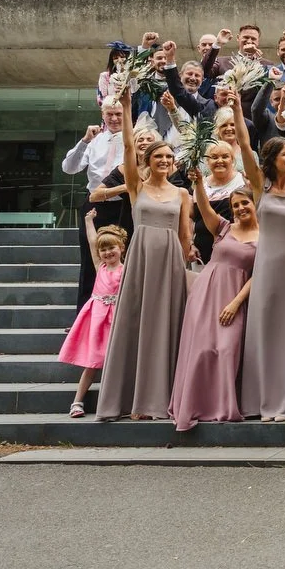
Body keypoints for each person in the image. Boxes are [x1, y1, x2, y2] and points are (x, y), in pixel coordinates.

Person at [96, 87, 194, 421]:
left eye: (168, 157)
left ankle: (163, 397)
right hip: (141, 262)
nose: (165, 161)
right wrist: (125, 108)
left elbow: (185, 236)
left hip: (170, 264)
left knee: (168, 326)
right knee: (137, 324)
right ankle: (131, 399)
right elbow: (126, 146)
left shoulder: (182, 193)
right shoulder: (137, 186)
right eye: (159, 157)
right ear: (148, 161)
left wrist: (185, 264)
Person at [231, 96, 285, 422]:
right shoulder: (259, 185)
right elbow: (241, 141)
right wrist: (239, 109)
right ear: (272, 158)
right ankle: (261, 400)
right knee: (265, 329)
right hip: (266, 266)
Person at [169, 177, 258, 431]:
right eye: (236, 205)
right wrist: (197, 182)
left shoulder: (265, 235)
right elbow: (205, 208)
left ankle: (223, 406)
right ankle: (193, 405)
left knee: (227, 349)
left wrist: (236, 303)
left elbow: (258, 274)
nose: (241, 208)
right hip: (206, 291)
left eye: (245, 203)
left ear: (254, 204)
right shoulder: (224, 228)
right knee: (201, 349)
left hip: (235, 294)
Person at [58, 211, 125, 418]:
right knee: (92, 362)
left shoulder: (127, 268)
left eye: (111, 247)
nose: (107, 252)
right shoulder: (101, 267)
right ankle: (77, 401)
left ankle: (115, 403)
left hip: (116, 318)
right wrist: (88, 221)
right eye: (103, 249)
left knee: (116, 362)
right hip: (97, 318)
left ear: (121, 248)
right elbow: (91, 240)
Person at [62, 97, 127, 310]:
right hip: (94, 205)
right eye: (110, 114)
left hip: (123, 204)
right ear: (103, 115)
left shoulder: (133, 138)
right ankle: (84, 313)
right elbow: (69, 168)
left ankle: (120, 314)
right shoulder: (94, 140)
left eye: (119, 113)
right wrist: (84, 141)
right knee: (90, 260)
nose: (115, 118)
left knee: (124, 258)